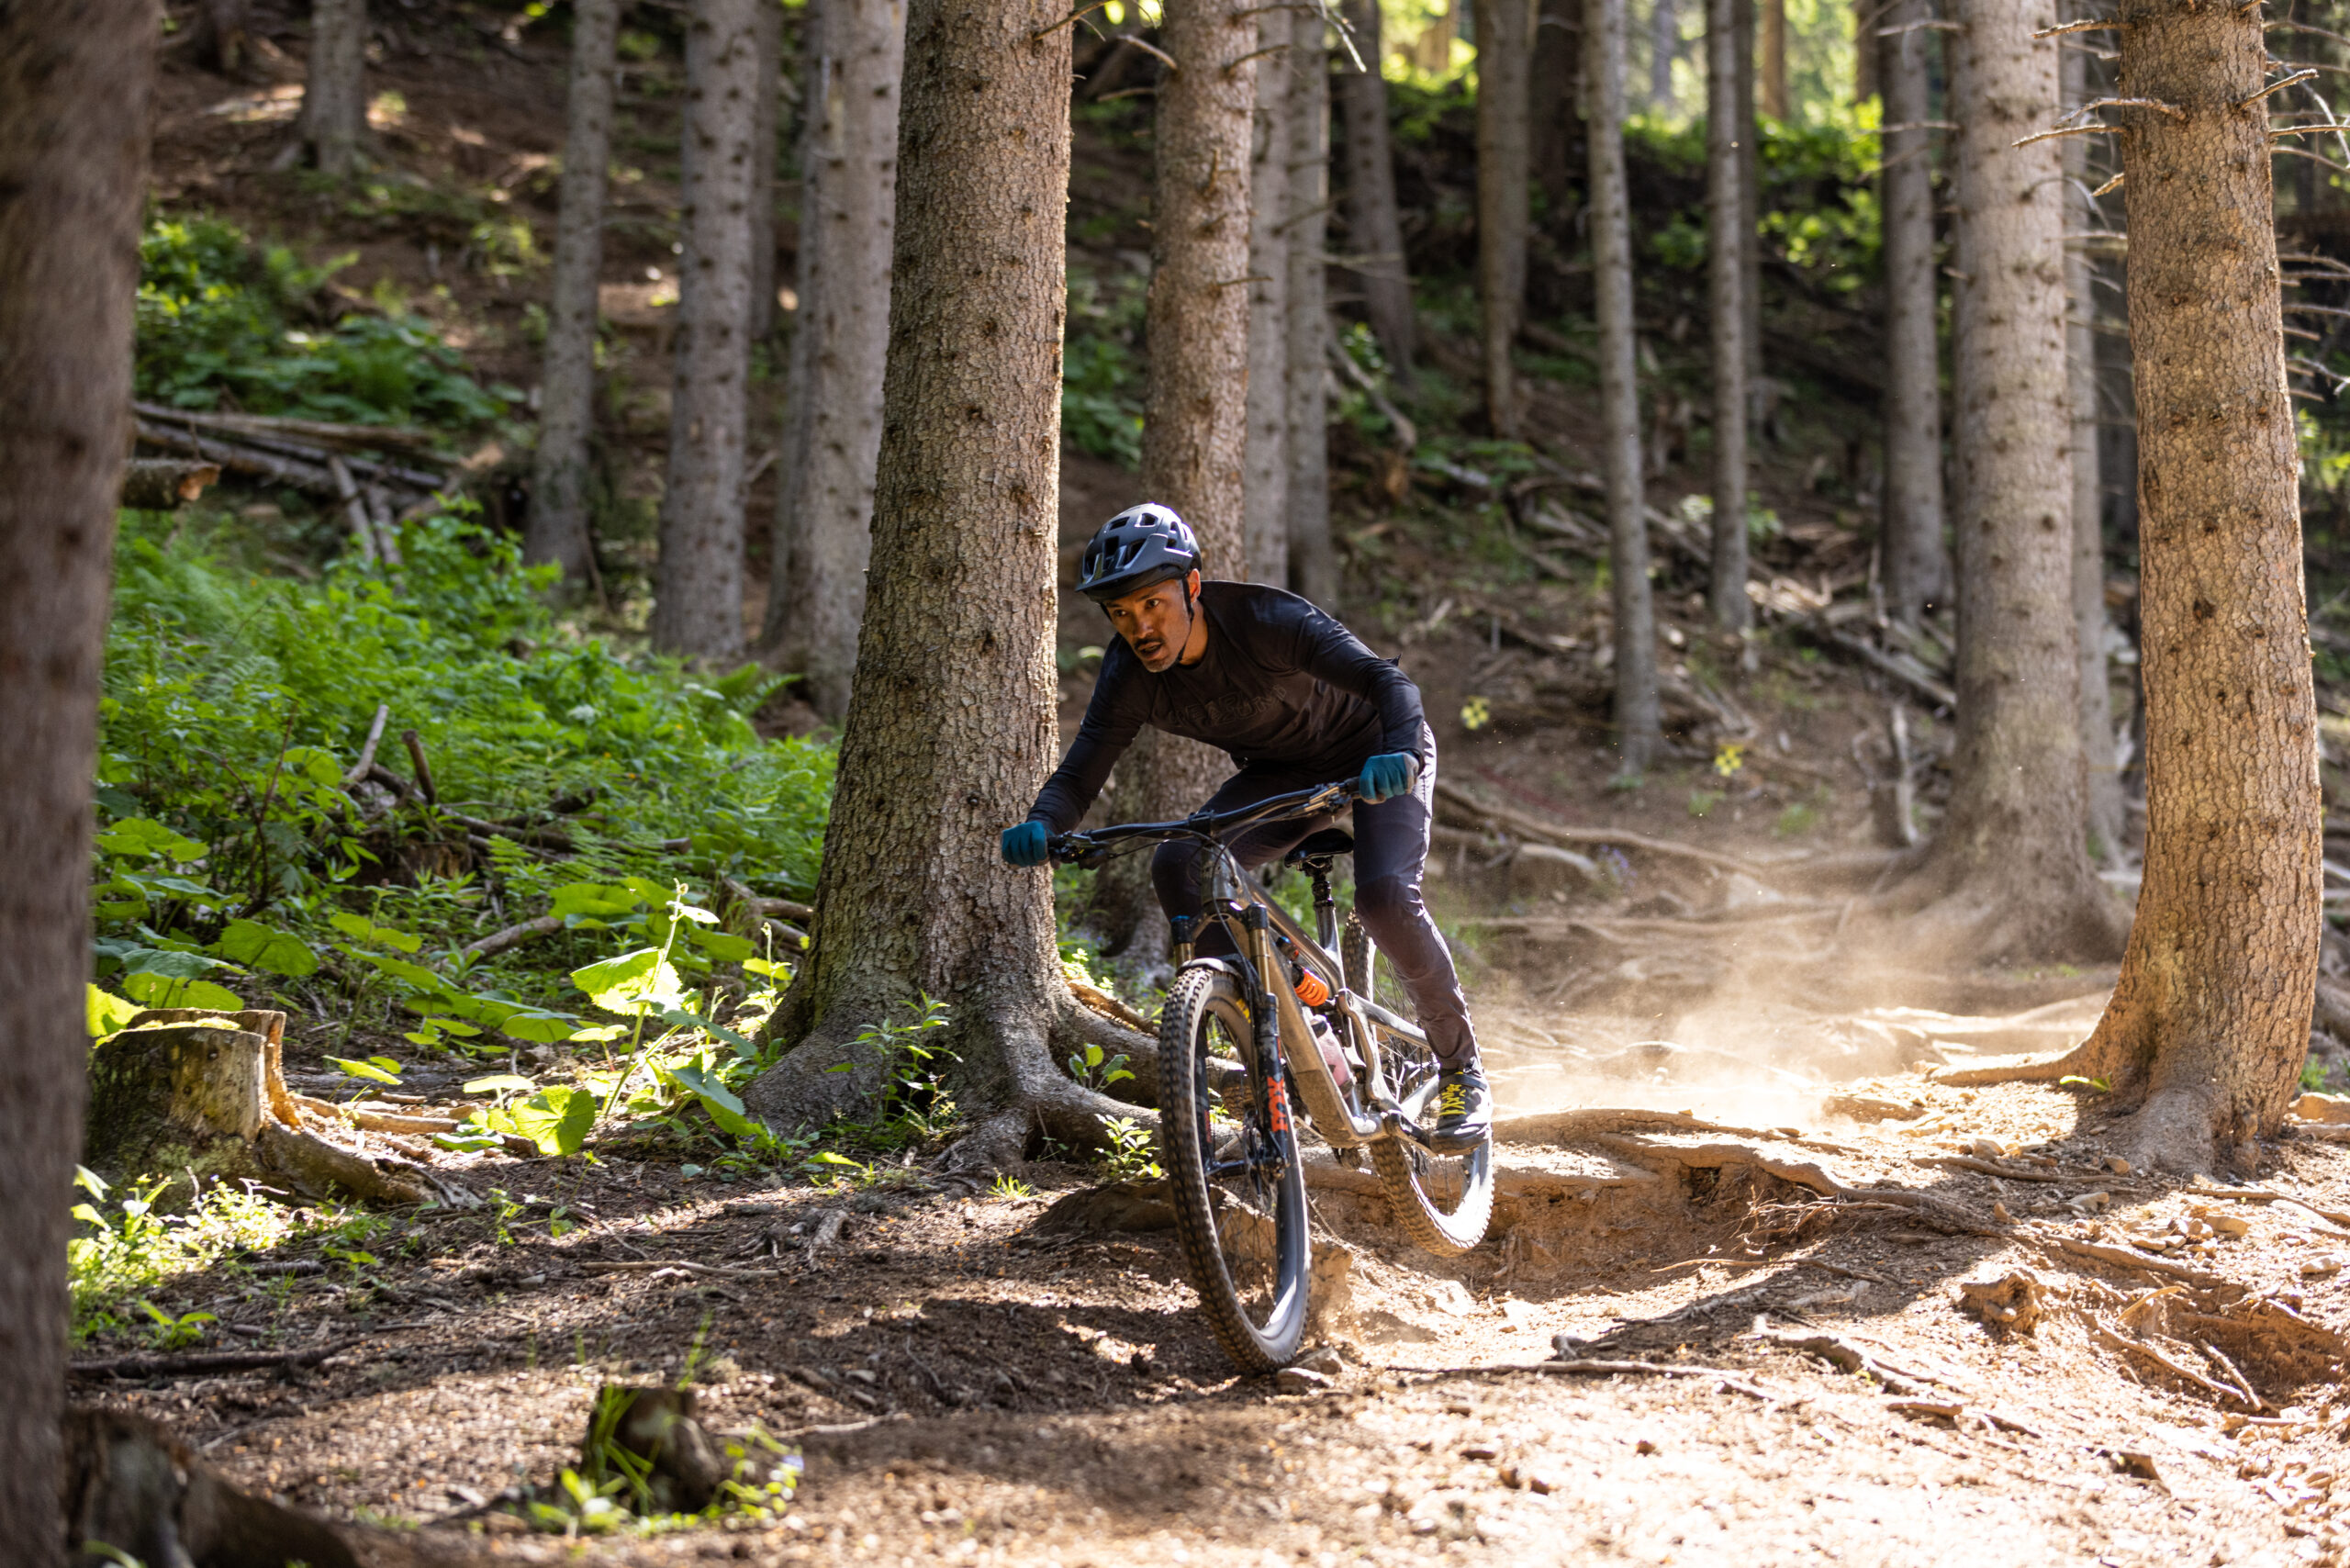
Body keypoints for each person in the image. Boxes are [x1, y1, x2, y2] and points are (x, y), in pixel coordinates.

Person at [999, 502, 1490, 1150]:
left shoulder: (1267, 621)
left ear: (1192, 587)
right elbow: (1081, 774)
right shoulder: (1128, 677)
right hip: (1283, 774)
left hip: (1376, 752)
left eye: (1153, 604)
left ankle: (1461, 1070)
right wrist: (1042, 823)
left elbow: (1387, 682)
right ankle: (1276, 1037)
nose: (1140, 626)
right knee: (1178, 863)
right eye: (1121, 613)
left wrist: (1398, 752)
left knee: (1382, 898)